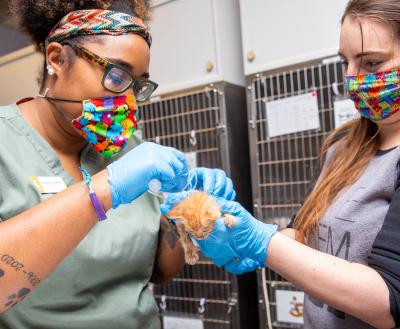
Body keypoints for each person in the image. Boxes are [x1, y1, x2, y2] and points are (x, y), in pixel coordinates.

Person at [162, 0, 400, 328]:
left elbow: (389, 302)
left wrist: (263, 242)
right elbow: (304, 235)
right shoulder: (344, 146)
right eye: (345, 62)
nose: (351, 79)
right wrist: (230, 225)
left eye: (371, 62)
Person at [0, 1, 235, 328]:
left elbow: (162, 271)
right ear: (56, 59)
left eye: (138, 85)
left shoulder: (129, 150)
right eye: (116, 75)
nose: (126, 100)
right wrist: (102, 189)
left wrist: (185, 212)